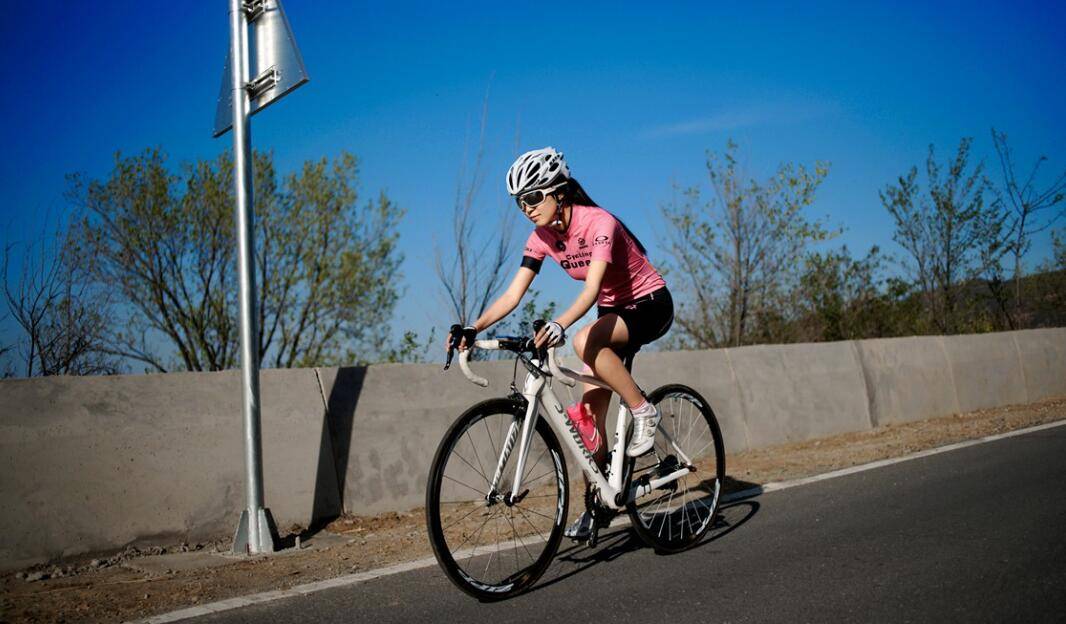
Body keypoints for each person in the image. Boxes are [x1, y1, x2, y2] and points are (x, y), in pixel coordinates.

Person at [447, 147, 674, 540]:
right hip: (612, 311)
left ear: (560, 191)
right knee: (589, 423)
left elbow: (589, 292)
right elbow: (512, 294)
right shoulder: (541, 238)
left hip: (649, 304)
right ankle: (600, 506)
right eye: (521, 202)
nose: (527, 208)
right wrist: (473, 327)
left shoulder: (599, 223)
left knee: (585, 338)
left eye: (534, 197)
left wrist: (560, 324)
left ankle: (643, 411)